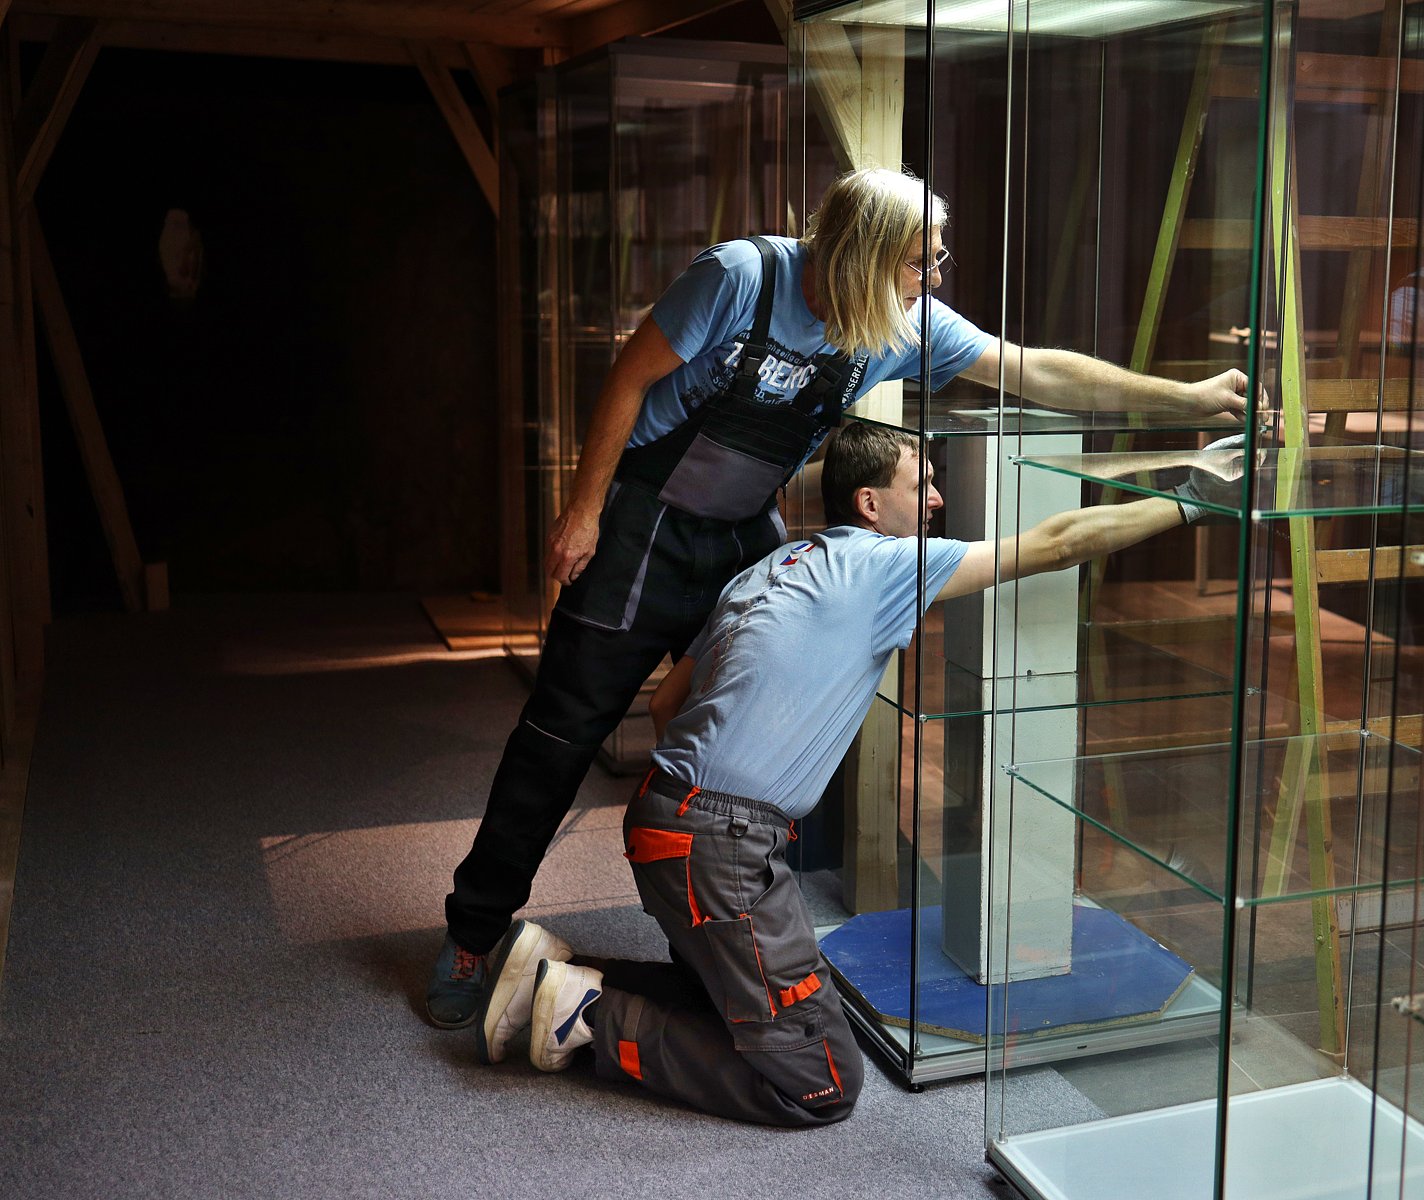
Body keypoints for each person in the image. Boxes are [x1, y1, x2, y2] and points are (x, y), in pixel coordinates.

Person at [426, 165, 1251, 1028]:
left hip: (743, 537)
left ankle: (715, 946)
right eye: (921, 261)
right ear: (862, 253)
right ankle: (474, 933)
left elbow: (1037, 371)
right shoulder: (740, 277)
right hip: (642, 526)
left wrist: (1187, 399)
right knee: (557, 740)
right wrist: (583, 510)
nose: (933, 278)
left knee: (745, 734)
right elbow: (627, 381)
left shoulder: (902, 324)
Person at [469, 421, 1246, 1125]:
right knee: (820, 1080)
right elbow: (1060, 541)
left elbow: (668, 705)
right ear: (870, 504)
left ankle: (554, 975)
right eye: (922, 483)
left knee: (736, 1003)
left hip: (665, 821)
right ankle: (589, 1018)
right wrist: (1189, 500)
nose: (937, 498)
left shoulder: (768, 569)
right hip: (720, 847)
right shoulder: (883, 566)